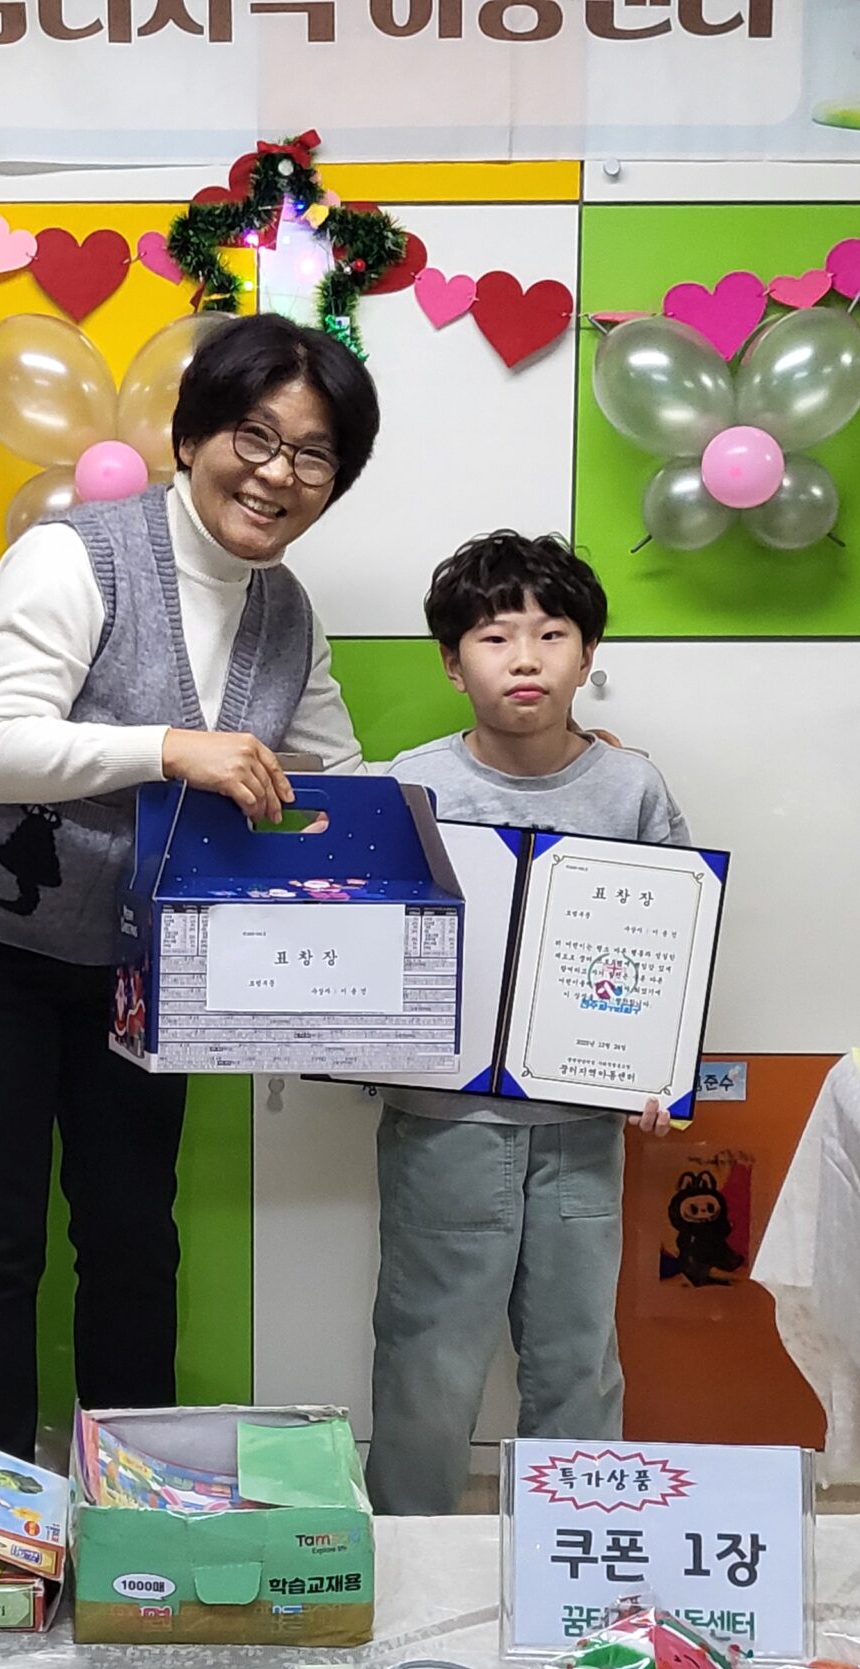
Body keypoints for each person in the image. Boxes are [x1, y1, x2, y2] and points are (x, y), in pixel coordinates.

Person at [0, 315, 380, 1460]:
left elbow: (338, 778)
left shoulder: (284, 611)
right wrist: (170, 747)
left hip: (136, 965)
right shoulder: (75, 555)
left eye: (314, 455)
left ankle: (133, 1505)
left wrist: (522, 780)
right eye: (253, 436)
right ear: (191, 433)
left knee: (131, 1238)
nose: (276, 474)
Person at [365, 531, 688, 1516]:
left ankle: (577, 1560)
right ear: (451, 663)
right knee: (429, 1354)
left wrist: (664, 1075)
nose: (525, 656)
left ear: (587, 658)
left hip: (584, 1130)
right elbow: (366, 952)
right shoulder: (405, 786)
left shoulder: (631, 788)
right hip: (444, 1126)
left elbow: (674, 947)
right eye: (494, 635)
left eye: (552, 633)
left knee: (577, 1357)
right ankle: (406, 1563)